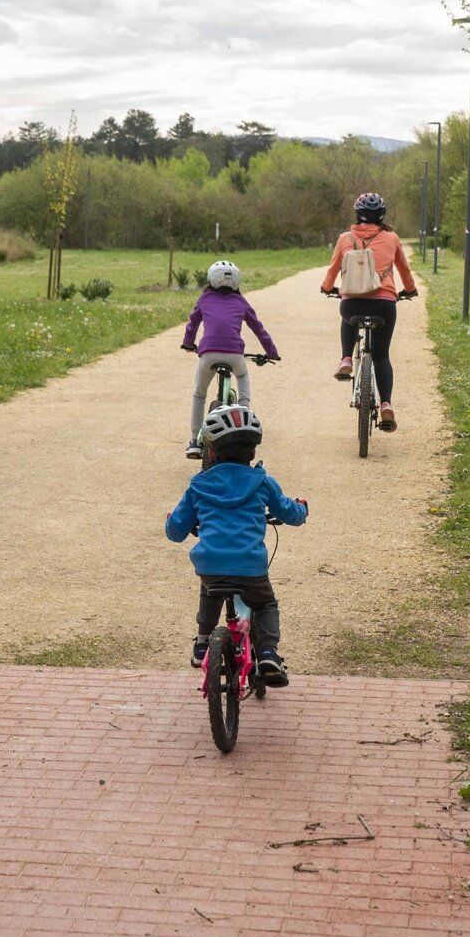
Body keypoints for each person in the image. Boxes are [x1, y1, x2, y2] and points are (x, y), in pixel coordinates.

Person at [165, 404, 308, 686]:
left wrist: (171, 522)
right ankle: (267, 653)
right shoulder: (262, 482)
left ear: (212, 453)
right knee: (266, 605)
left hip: (211, 564)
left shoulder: (198, 485)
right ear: (253, 452)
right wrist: (302, 509)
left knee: (210, 590)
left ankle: (204, 641)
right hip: (251, 566)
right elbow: (289, 513)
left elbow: (176, 531)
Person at [319, 192, 418, 431]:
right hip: (384, 304)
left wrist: (326, 287)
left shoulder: (345, 238)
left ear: (358, 214)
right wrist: (410, 290)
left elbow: (333, 269)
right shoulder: (392, 238)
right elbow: (404, 269)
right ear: (382, 215)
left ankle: (345, 358)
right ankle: (386, 405)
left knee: (348, 317)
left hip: (353, 302)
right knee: (381, 355)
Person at [180, 260, 280, 458]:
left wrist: (188, 343)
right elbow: (258, 329)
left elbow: (192, 324)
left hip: (208, 354)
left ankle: (194, 441)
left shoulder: (205, 298)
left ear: (211, 279)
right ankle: (243, 416)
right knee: (242, 376)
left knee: (199, 394)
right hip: (235, 355)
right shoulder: (240, 302)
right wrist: (271, 352)